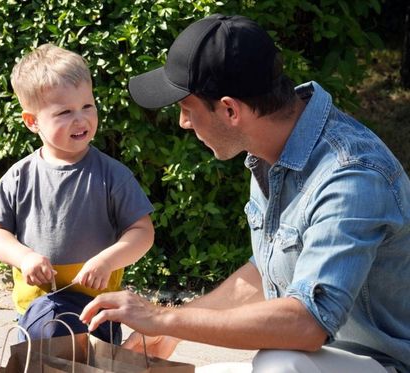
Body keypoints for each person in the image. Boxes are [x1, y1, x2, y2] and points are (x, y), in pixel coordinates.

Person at [79, 13, 410, 373]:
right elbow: (268, 269)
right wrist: (173, 328)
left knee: (279, 362)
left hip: (384, 364)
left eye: (187, 109)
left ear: (229, 109)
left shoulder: (351, 176)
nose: (183, 123)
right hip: (324, 361)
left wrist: (159, 318)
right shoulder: (272, 151)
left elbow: (306, 325)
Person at [0, 44, 155, 342]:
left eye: (87, 106)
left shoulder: (112, 175)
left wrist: (108, 260)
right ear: (32, 121)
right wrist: (24, 258)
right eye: (64, 112)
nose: (81, 119)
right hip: (38, 311)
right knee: (42, 355)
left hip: (98, 312)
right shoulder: (19, 177)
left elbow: (142, 232)